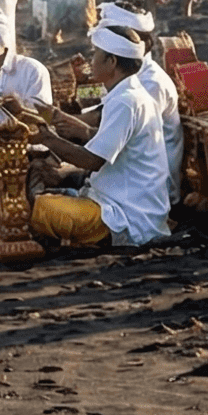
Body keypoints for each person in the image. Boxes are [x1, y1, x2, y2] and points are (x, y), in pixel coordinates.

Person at [29, 26, 175, 249]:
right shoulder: (123, 89)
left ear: (112, 61)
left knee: (37, 207)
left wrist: (49, 138)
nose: (91, 59)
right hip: (114, 195)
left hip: (129, 214)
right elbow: (90, 108)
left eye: (95, 53)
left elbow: (93, 154)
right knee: (45, 187)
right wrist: (75, 90)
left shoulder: (136, 93)